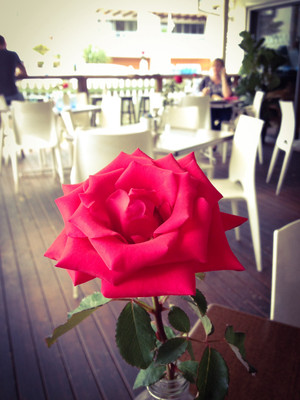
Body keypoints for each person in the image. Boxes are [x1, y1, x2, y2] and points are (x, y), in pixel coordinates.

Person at [199, 58, 233, 129]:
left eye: (218, 66)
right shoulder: (206, 79)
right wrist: (204, 93)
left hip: (224, 108)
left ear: (222, 68)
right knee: (208, 122)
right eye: (213, 66)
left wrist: (223, 77)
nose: (215, 68)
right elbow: (200, 96)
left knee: (223, 122)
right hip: (210, 108)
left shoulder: (226, 79)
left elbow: (226, 95)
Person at [0, 35, 27, 105]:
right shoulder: (12, 55)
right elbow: (24, 73)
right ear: (5, 43)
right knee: (22, 103)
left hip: (1, 100)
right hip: (12, 94)